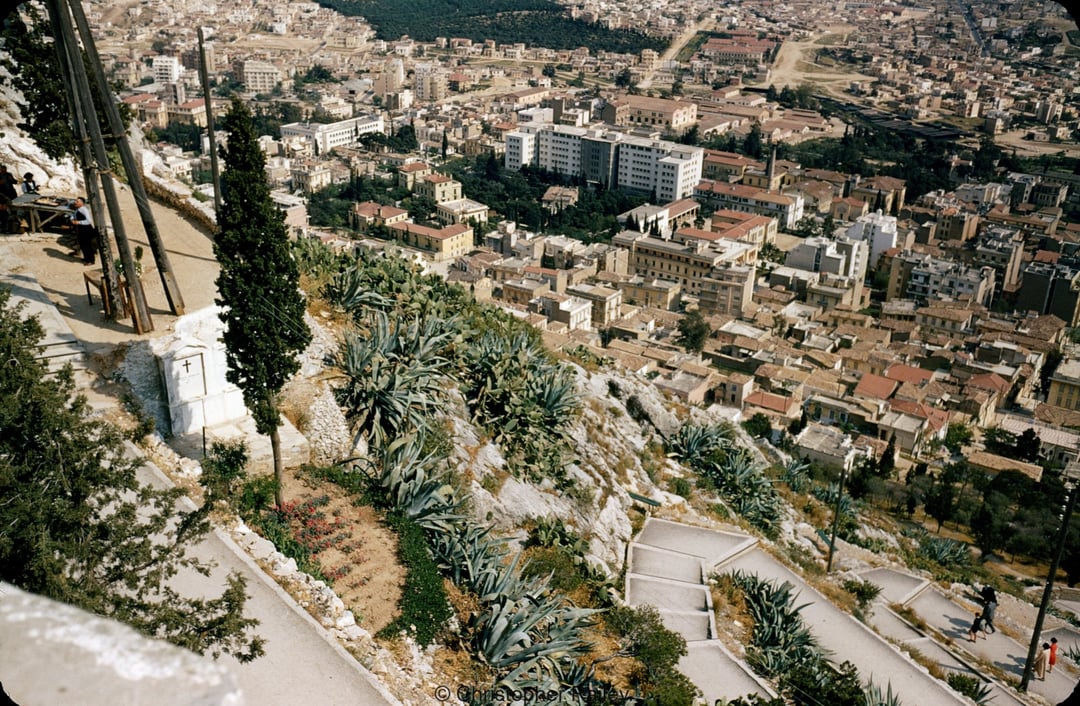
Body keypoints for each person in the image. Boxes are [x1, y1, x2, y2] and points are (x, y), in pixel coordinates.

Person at [70, 197, 97, 265]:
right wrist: (72, 219)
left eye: (77, 201)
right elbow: (74, 215)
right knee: (82, 244)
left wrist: (79, 222)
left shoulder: (84, 210)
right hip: (81, 229)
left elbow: (88, 221)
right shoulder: (77, 209)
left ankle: (91, 260)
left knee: (87, 245)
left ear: (82, 203)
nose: (75, 202)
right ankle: (86, 258)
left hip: (86, 229)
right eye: (76, 201)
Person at [0, 165, 16, 234]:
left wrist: (11, 179)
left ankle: (12, 224)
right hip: (2, 195)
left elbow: (15, 182)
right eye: (2, 169)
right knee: (3, 210)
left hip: (11, 194)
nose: (4, 170)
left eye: (5, 169)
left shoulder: (9, 174)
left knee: (13, 208)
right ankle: (4, 226)